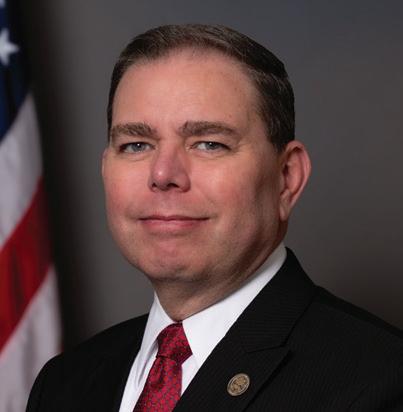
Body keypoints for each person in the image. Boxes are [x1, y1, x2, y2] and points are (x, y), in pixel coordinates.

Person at [27, 24, 403, 412]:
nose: (163, 174)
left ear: (286, 178)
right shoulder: (63, 383)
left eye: (209, 144)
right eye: (136, 145)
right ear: (106, 169)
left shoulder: (382, 382)